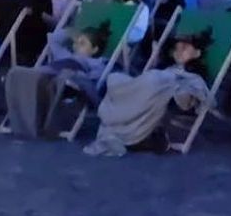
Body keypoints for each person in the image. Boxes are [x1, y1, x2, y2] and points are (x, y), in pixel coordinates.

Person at [83, 29, 211, 156]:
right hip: (146, 85)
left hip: (156, 87)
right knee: (115, 78)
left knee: (147, 82)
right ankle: (102, 98)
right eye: (176, 48)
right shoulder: (168, 68)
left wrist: (175, 86)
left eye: (184, 48)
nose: (178, 52)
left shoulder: (193, 77)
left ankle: (108, 108)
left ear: (197, 53)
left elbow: (188, 93)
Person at [4, 22, 110, 138]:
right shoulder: (65, 54)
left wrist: (78, 76)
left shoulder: (97, 63)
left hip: (65, 78)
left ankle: (42, 122)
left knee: (64, 77)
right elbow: (53, 39)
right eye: (76, 42)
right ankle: (22, 115)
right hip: (46, 73)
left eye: (82, 43)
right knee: (15, 71)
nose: (76, 45)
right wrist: (69, 32)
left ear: (94, 50)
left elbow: (92, 80)